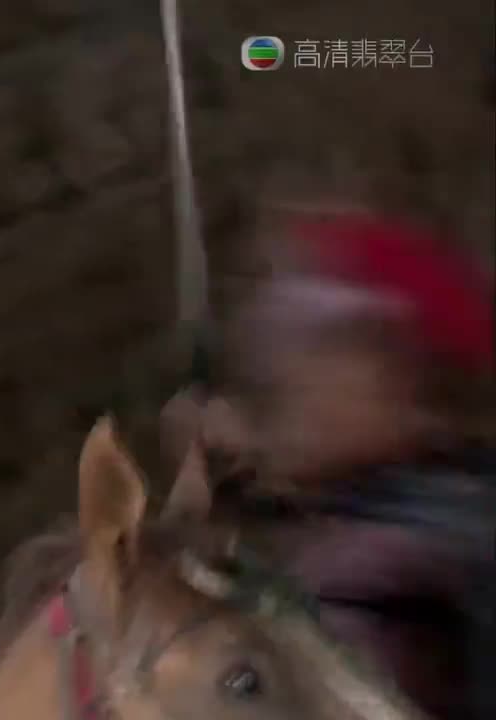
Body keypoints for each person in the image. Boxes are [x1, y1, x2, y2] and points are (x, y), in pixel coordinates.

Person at [163, 210, 493, 718]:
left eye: (319, 365)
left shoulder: (402, 558)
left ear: (398, 382)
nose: (291, 395)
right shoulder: (371, 511)